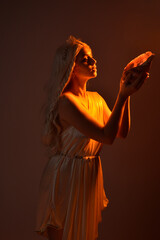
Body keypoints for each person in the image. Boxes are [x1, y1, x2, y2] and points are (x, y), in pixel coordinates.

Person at [35, 36, 149, 240]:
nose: (93, 61)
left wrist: (126, 92)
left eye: (92, 57)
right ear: (71, 67)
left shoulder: (96, 99)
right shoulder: (66, 102)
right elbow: (106, 136)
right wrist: (122, 95)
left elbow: (121, 131)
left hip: (88, 173)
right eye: (85, 59)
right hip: (66, 175)